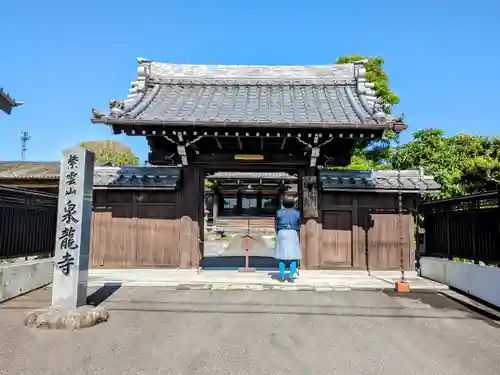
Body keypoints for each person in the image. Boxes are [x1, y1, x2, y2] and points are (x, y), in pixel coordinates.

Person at [275, 195, 301, 282]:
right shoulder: (297, 213)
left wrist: (278, 231)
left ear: (283, 204)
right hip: (293, 232)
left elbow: (276, 224)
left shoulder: (279, 212)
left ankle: (282, 276)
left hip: (282, 232)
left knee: (281, 255)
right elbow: (299, 223)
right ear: (293, 204)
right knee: (294, 256)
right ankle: (291, 276)